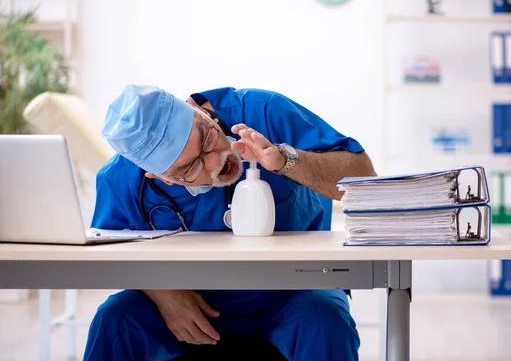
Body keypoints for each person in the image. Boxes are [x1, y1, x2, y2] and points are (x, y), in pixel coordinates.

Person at [83, 84, 378, 361]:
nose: (217, 162)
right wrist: (164, 294)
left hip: (293, 292)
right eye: (190, 169)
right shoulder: (119, 181)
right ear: (157, 176)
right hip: (191, 301)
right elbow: (110, 257)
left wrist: (286, 161)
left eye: (207, 139)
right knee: (114, 320)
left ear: (196, 108)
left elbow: (365, 180)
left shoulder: (264, 112)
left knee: (326, 318)